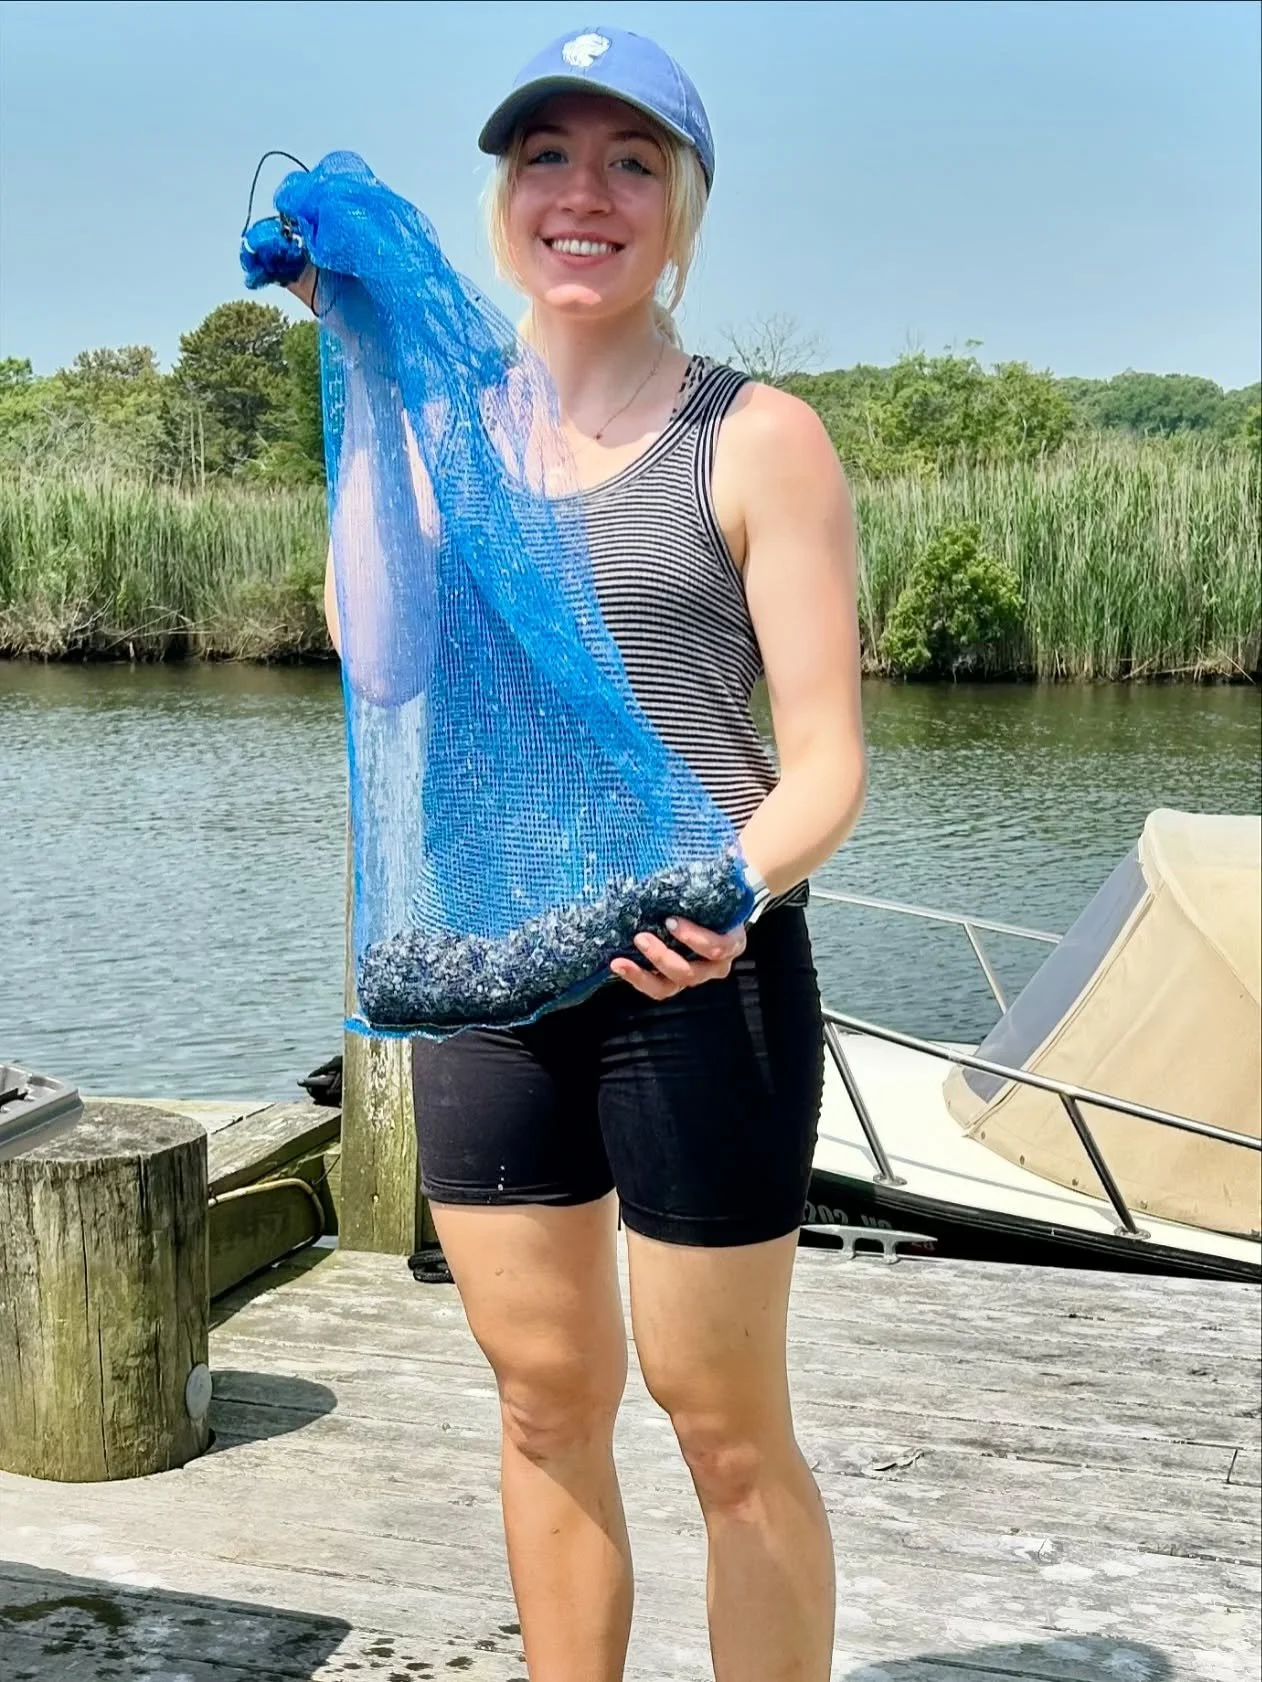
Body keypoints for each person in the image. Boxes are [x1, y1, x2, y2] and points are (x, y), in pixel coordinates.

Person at [317, 25, 866, 1681]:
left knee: (723, 1429)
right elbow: (381, 655)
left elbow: (826, 763)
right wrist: (365, 369)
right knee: (544, 1400)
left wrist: (725, 896)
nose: (585, 193)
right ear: (502, 200)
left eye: (633, 162)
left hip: (692, 969)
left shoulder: (758, 435)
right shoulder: (446, 433)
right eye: (546, 157)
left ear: (681, 208)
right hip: (485, 964)